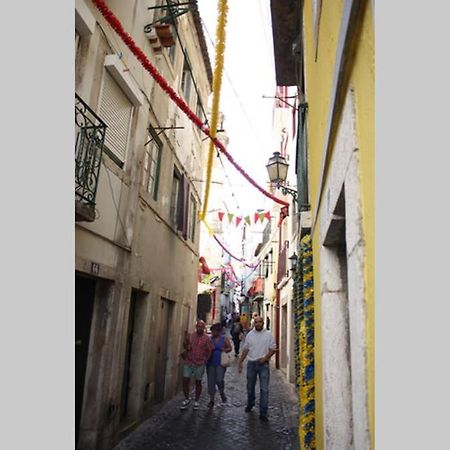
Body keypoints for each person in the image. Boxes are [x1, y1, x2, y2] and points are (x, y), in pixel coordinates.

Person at [238, 315, 277, 422]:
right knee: (250, 387)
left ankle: (263, 412)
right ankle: (250, 403)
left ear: (263, 323)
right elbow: (245, 349)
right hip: (251, 363)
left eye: (260, 322)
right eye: (256, 322)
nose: (258, 324)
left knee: (264, 389)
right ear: (254, 323)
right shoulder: (250, 335)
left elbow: (273, 348)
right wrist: (240, 362)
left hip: (263, 364)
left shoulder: (268, 335)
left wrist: (265, 358)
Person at [180, 320, 213, 410]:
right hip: (189, 361)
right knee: (185, 379)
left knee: (198, 382)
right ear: (196, 327)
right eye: (198, 326)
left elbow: (210, 350)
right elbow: (184, 344)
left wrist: (205, 360)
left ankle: (197, 400)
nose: (199, 328)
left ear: (204, 328)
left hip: (200, 363)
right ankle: (186, 398)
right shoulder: (191, 336)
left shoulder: (207, 338)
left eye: (201, 327)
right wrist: (187, 346)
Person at [206, 323, 232, 408]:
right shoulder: (209, 339)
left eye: (214, 331)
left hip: (220, 363)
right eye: (212, 331)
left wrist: (224, 349)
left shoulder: (224, 339)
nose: (213, 333)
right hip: (210, 363)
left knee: (219, 379)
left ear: (219, 331)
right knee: (211, 381)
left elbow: (230, 348)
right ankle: (212, 399)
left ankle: (221, 392)